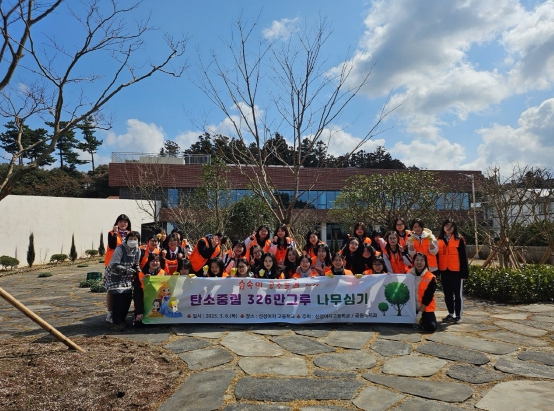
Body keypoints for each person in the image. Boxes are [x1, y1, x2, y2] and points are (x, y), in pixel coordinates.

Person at [103, 230, 141, 329]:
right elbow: (114, 265)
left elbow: (136, 264)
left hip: (127, 278)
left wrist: (138, 271)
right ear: (127, 239)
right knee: (118, 300)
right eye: (130, 239)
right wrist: (128, 271)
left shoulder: (137, 250)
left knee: (127, 299)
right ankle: (116, 322)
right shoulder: (120, 249)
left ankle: (122, 319)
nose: (132, 241)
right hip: (114, 277)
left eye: (135, 239)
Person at [437, 218, 469, 324]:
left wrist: (464, 273)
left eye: (451, 226)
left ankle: (458, 315)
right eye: (446, 225)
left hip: (456, 271)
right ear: (443, 227)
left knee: (457, 294)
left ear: (454, 227)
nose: (448, 228)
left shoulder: (459, 239)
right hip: (444, 270)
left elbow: (464, 257)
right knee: (447, 294)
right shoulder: (439, 239)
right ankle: (451, 313)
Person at [104, 214, 131, 323]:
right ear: (117, 223)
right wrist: (115, 233)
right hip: (112, 265)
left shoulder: (131, 235)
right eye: (120, 222)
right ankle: (110, 312)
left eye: (125, 222)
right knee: (111, 289)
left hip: (126, 266)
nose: (123, 224)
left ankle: (121, 312)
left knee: (125, 289)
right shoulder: (111, 233)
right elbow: (111, 245)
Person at [133, 252, 167, 326]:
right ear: (148, 262)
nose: (155, 263)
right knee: (140, 324)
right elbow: (137, 295)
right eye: (152, 261)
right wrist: (139, 312)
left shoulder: (163, 273)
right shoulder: (141, 275)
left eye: (157, 261)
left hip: (159, 304)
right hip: (144, 304)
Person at [410, 252, 438, 333]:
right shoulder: (408, 273)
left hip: (425, 308)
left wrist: (420, 313)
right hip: (411, 307)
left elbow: (427, 298)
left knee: (431, 327)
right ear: (413, 261)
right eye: (417, 260)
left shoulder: (431, 277)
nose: (419, 262)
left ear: (425, 263)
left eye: (422, 260)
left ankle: (421, 320)